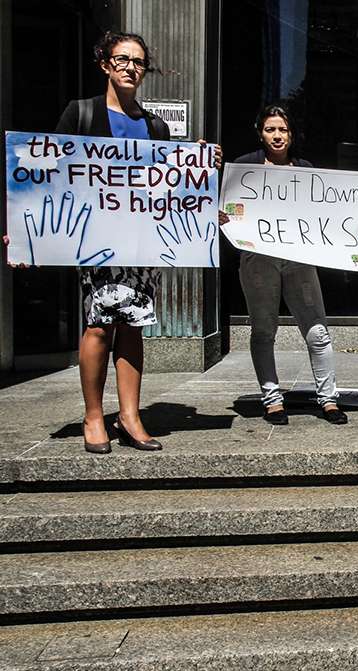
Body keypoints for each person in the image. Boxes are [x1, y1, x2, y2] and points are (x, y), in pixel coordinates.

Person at [49, 32, 220, 453]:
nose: (131, 67)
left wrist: (197, 161)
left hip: (141, 240)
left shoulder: (154, 125)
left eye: (139, 62)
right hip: (95, 238)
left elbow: (168, 182)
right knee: (98, 325)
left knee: (133, 326)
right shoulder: (82, 113)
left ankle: (129, 415)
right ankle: (94, 416)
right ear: (105, 64)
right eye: (122, 59)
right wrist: (23, 231)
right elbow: (48, 172)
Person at [225, 104, 358, 425]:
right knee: (264, 331)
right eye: (270, 129)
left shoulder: (305, 169)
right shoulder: (243, 167)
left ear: (291, 135)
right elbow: (226, 209)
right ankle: (272, 399)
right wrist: (225, 218)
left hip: (299, 263)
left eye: (282, 130)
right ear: (260, 133)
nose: (277, 136)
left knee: (317, 331)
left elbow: (329, 216)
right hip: (257, 263)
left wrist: (356, 228)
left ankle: (328, 399)